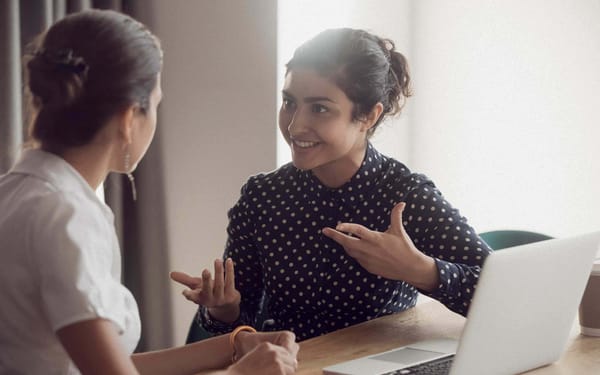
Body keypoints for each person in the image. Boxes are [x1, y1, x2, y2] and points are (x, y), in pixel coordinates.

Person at [0, 9, 298, 375]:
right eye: (155, 104)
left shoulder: (15, 192)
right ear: (128, 119)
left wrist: (233, 345)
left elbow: (96, 366)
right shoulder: (67, 217)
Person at [171, 28, 493, 342]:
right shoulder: (263, 197)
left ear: (368, 116)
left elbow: (500, 295)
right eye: (289, 102)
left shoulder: (406, 197)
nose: (295, 125)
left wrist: (420, 270)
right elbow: (240, 328)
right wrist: (224, 310)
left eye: (320, 108)